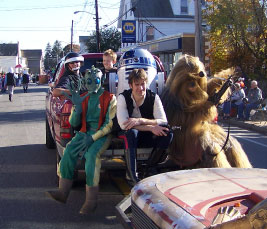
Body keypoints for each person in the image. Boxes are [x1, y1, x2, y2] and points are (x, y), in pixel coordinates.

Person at [46, 66, 116, 214]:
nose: (92, 83)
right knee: (69, 150)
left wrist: (93, 137)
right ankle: (63, 191)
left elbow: (109, 124)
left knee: (91, 156)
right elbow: (73, 122)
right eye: (89, 80)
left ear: (102, 80)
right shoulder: (83, 97)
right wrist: (77, 108)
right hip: (84, 133)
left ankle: (91, 201)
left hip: (101, 135)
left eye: (95, 80)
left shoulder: (110, 98)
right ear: (84, 81)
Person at [117, 68, 173, 183]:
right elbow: (124, 125)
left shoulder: (153, 97)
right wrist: (150, 127)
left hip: (147, 135)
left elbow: (163, 121)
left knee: (167, 132)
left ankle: (149, 167)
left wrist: (140, 120)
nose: (140, 88)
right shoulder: (123, 97)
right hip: (130, 134)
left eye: (143, 84)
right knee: (131, 133)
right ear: (130, 85)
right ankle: (131, 174)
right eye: (137, 84)